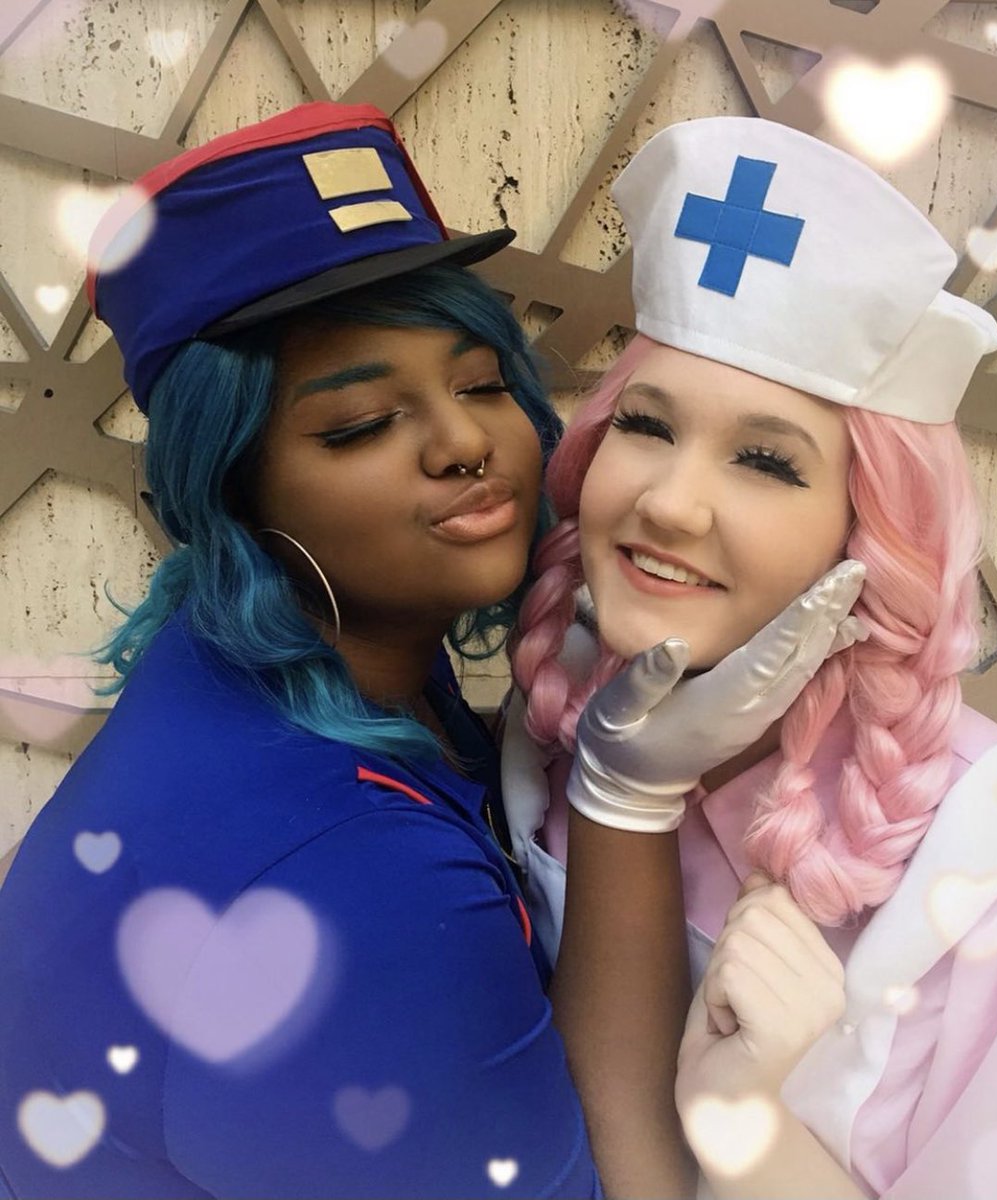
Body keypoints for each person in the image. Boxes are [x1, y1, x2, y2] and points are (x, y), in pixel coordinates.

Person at [0, 103, 864, 1200]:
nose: (462, 443)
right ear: (230, 484)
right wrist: (625, 803)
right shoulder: (347, 887)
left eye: (481, 383)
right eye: (361, 423)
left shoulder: (320, 660)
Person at [506, 116, 997, 1200]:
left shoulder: (990, 869)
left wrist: (752, 1127)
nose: (668, 504)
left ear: (870, 530)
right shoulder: (549, 734)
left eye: (764, 461)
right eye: (646, 426)